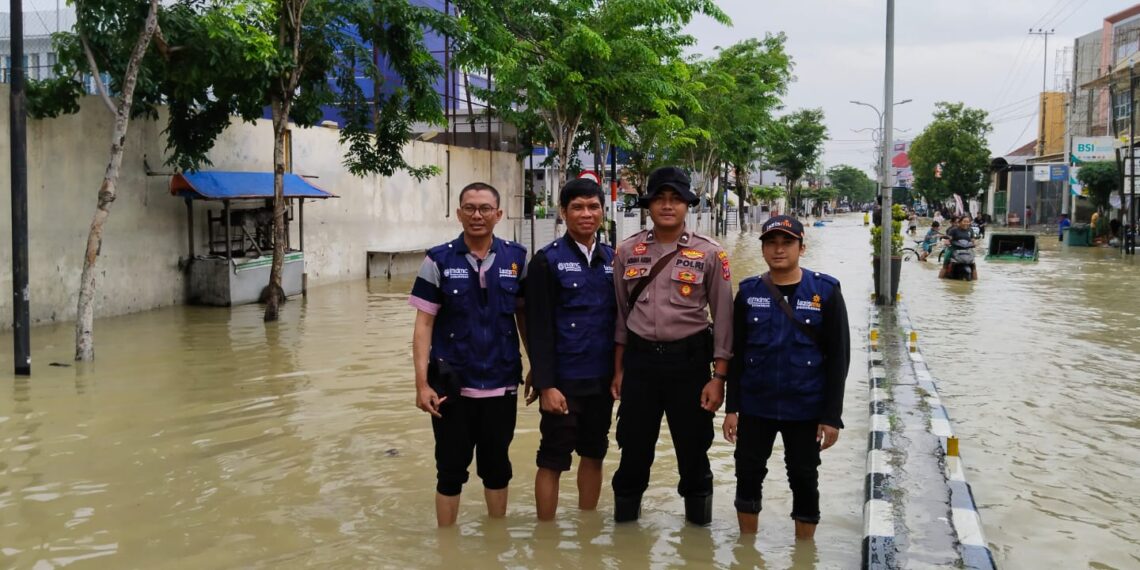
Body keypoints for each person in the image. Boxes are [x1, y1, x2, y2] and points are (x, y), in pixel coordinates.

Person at [610, 166, 733, 526]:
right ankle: (625, 540)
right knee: (632, 451)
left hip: (690, 364)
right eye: (660, 199)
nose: (667, 206)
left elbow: (723, 319)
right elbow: (620, 316)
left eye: (675, 199)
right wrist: (618, 369)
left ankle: (698, 540)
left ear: (687, 206)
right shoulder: (627, 251)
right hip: (640, 365)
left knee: (693, 453)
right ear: (648, 205)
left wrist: (719, 377)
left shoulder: (711, 254)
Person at [723, 215, 850, 539]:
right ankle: (746, 550)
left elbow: (839, 358)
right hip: (756, 405)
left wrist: (831, 416)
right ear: (763, 248)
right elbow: (736, 353)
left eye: (787, 243)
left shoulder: (826, 291)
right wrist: (732, 408)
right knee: (748, 475)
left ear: (801, 247)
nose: (779, 250)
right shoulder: (749, 292)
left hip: (806, 408)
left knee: (804, 479)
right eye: (771, 243)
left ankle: (804, 553)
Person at [409, 182, 528, 527]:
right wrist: (421, 384)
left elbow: (523, 318)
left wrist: (536, 367)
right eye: (470, 208)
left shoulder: (517, 258)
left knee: (497, 469)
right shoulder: (438, 259)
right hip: (450, 386)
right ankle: (447, 548)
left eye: (485, 208)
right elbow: (423, 325)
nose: (477, 215)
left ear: (499, 214)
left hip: (501, 384)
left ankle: (496, 542)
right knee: (449, 470)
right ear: (459, 213)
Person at [524, 179, 616, 521]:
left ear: (603, 212)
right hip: (563, 382)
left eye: (593, 207)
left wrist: (620, 375)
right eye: (577, 207)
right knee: (552, 458)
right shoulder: (546, 261)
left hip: (601, 380)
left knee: (594, 453)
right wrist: (547, 385)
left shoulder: (613, 260)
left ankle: (586, 526)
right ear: (563, 212)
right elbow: (538, 329)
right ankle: (546, 536)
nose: (586, 214)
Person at [940, 215, 977, 280]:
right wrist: (947, 241)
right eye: (964, 221)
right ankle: (940, 279)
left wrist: (975, 243)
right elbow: (949, 238)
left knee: (973, 265)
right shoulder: (954, 230)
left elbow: (972, 239)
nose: (966, 223)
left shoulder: (970, 230)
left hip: (967, 250)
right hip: (954, 249)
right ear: (960, 222)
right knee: (945, 264)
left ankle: (975, 282)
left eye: (968, 222)